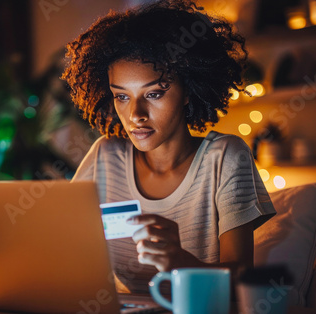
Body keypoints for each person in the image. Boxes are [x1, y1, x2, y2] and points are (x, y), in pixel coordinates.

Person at [62, 0, 276, 294]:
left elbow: (241, 277)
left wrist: (179, 261)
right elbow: (62, 243)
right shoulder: (105, 155)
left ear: (188, 90)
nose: (136, 114)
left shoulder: (224, 157)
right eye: (121, 97)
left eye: (154, 93)